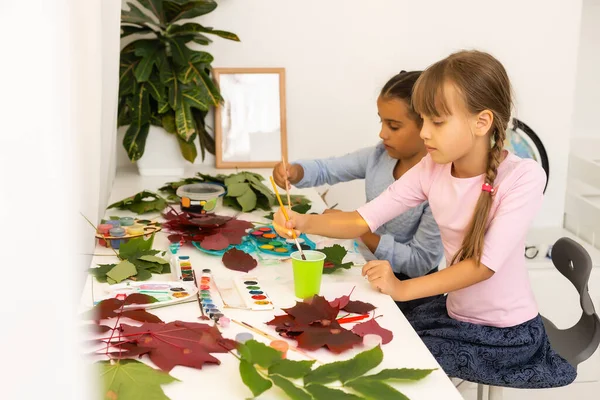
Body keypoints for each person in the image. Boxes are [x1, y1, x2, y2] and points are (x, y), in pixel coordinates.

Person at [273, 50, 576, 388]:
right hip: (454, 313)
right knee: (366, 339)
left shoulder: (524, 176)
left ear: (482, 122)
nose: (425, 133)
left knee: (392, 361)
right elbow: (363, 220)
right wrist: (301, 221)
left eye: (437, 121)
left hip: (504, 334)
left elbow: (482, 266)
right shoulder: (432, 169)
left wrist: (402, 289)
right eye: (423, 120)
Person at [272, 71, 444, 313]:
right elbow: (328, 169)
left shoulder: (440, 183)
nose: (382, 134)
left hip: (411, 296)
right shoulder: (378, 156)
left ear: (426, 126)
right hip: (368, 273)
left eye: (393, 126)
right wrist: (296, 172)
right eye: (381, 122)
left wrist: (356, 228)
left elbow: (419, 263)